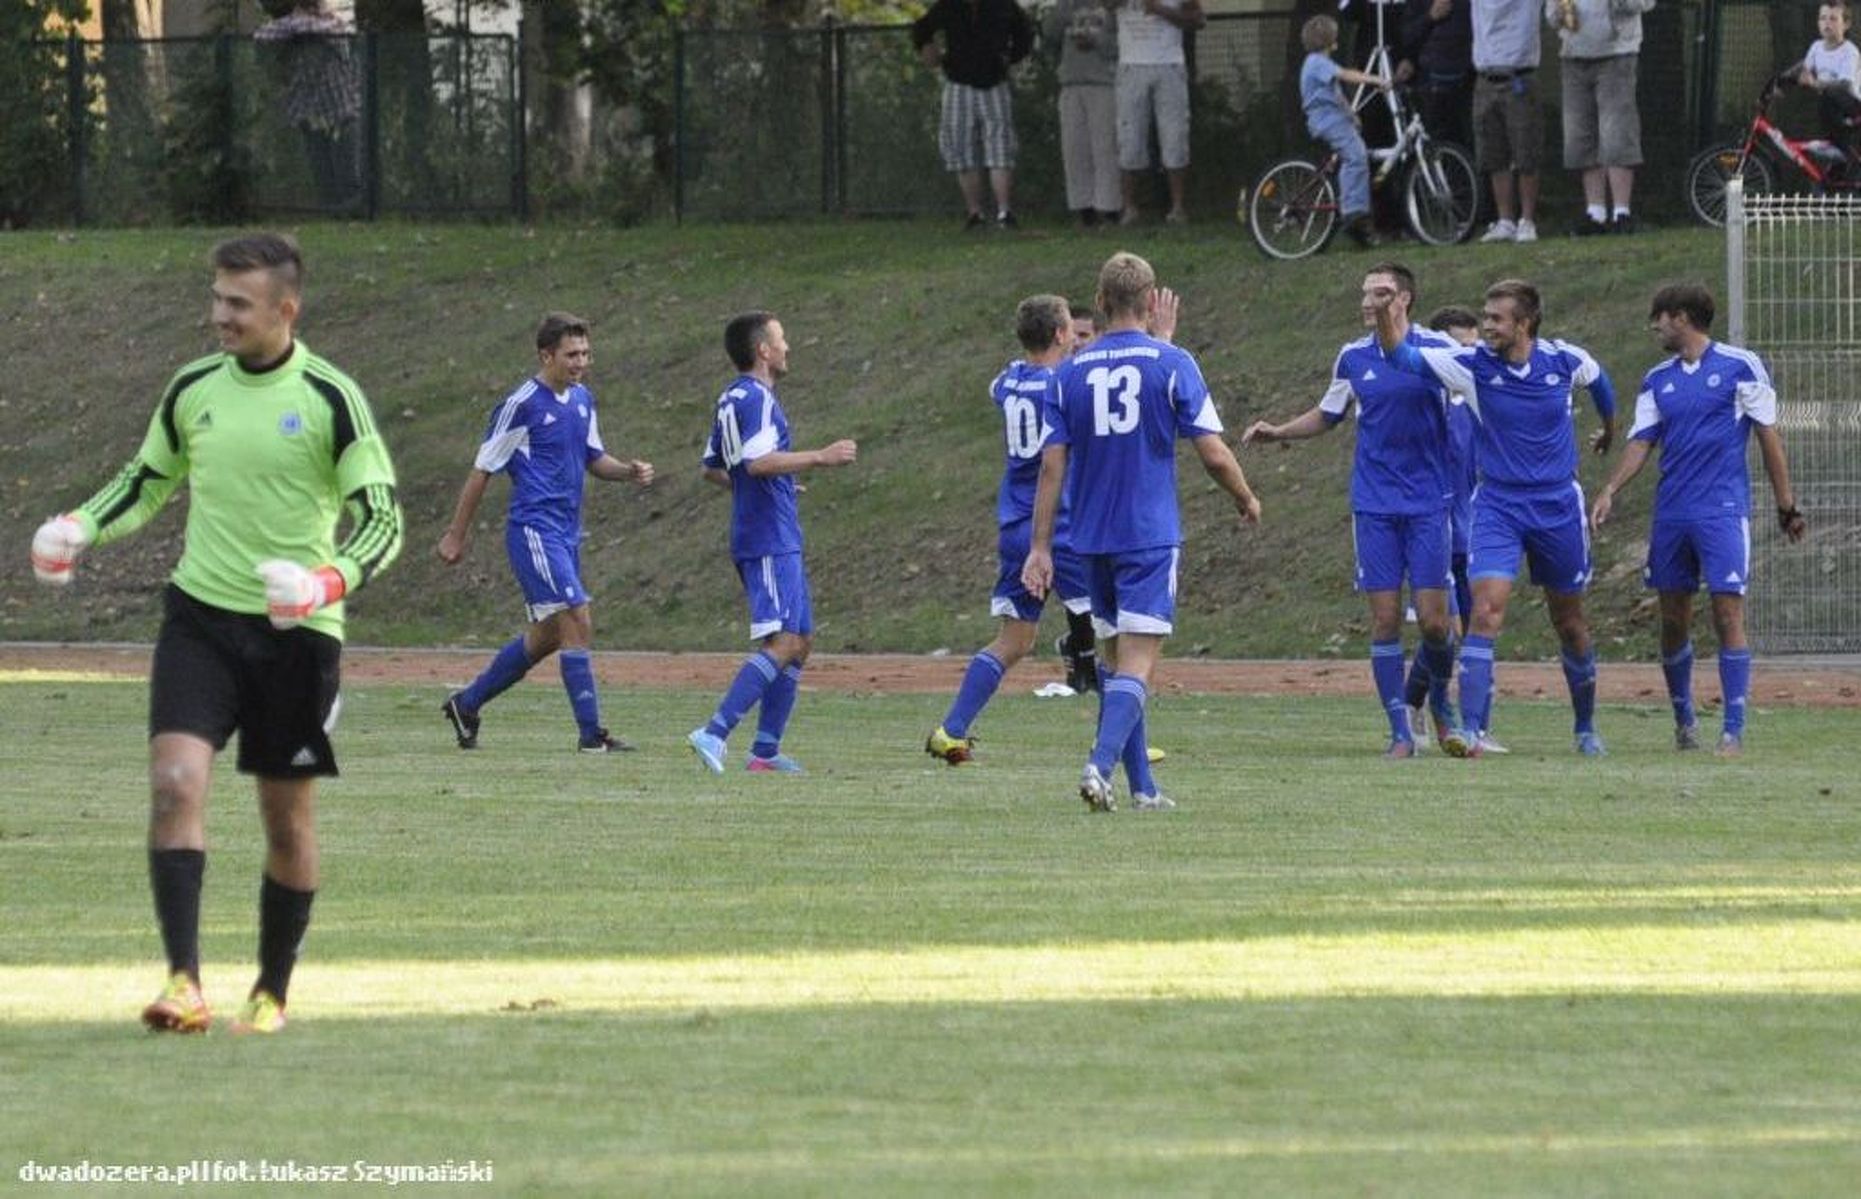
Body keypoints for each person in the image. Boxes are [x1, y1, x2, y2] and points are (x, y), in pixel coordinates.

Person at [28, 233, 404, 1035]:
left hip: (296, 635)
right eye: (216, 299)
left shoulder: (334, 397)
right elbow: (149, 479)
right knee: (174, 785)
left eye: (237, 304)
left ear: (285, 310)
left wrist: (322, 582)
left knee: (286, 822)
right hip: (199, 621)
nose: (219, 316)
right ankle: (184, 982)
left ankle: (270, 989)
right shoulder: (193, 387)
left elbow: (383, 518)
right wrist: (80, 526)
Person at [1023, 252, 1262, 811]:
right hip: (1149, 535)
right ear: (1152, 302)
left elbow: (1051, 467)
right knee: (1138, 662)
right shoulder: (1173, 362)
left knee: (1113, 663)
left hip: (1089, 538)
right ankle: (1098, 768)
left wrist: (1040, 546)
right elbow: (1213, 453)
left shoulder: (1067, 374)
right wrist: (1245, 496)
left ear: (1100, 303)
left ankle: (1145, 789)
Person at [1372, 278, 1617, 756]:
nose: (1486, 326)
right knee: (1484, 612)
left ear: (1524, 324)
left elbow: (1600, 382)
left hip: (1558, 507)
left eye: (1496, 319)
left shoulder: (1563, 360)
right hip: (1499, 506)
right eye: (1484, 316)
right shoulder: (1471, 366)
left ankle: (1586, 727)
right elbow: (1402, 357)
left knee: (1569, 621)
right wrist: (1386, 314)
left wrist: (1610, 430)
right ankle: (1472, 730)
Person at [1243, 264, 1461, 759]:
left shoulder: (1440, 351)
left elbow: (1476, 394)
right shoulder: (1352, 356)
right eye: (1364, 292)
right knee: (1385, 620)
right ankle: (1400, 731)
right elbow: (1328, 413)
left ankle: (1441, 704)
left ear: (1405, 298)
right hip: (1375, 505)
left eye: (1380, 293)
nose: (1368, 301)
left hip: (1429, 502)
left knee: (1434, 623)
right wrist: (1279, 431)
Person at [1590, 284, 1807, 755]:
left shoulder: (1739, 366)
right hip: (1672, 514)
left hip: (1722, 511)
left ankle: (1733, 728)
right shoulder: (1656, 379)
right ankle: (1684, 718)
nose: (1655, 327)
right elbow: (1641, 441)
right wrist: (1609, 489)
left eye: (1660, 318)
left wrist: (1785, 504)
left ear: (1682, 318)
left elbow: (1769, 437)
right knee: (1673, 619)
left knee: (1728, 612)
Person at [435, 314, 655, 755]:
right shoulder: (522, 404)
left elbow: (594, 458)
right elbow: (482, 470)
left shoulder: (582, 400)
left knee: (548, 637)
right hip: (535, 530)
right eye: (572, 354)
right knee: (578, 616)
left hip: (568, 533)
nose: (580, 362)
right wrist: (455, 535)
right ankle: (592, 735)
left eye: (585, 354)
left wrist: (627, 471)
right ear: (546, 355)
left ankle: (467, 703)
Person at [926, 295, 1097, 764]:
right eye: (1071, 332)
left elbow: (999, 385)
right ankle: (1122, 746)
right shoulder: (1062, 386)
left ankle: (952, 729)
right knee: (1116, 631)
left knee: (1016, 639)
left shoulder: (1007, 381)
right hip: (1058, 525)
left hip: (1015, 524)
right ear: (1061, 335)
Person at [687, 313, 858, 774]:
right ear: (763, 349)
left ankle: (765, 752)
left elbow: (714, 467)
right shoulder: (756, 398)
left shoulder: (732, 397)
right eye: (782, 339)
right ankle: (715, 731)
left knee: (799, 640)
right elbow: (758, 462)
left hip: (771, 529)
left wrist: (776, 485)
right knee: (782, 641)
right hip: (766, 536)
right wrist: (819, 458)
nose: (788, 347)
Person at [1401, 304, 1512, 754]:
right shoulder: (1424, 406)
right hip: (1432, 521)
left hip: (1477, 523)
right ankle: (1438, 713)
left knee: (1476, 626)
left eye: (1473, 347)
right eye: (1458, 348)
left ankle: (1457, 721)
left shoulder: (1480, 401)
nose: (1468, 356)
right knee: (1442, 628)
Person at [911, 0, 1035, 230]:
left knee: (1001, 147)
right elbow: (921, 28)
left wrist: (1010, 58)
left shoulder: (1003, 5)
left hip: (994, 83)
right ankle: (974, 213)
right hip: (959, 83)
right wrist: (929, 50)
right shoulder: (950, 5)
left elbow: (1025, 33)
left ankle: (1004, 212)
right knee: (961, 149)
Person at [1547, 0, 1656, 236]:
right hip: (1574, 54)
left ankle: (1621, 212)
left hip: (1616, 53)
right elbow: (1551, 15)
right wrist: (1558, 13)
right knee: (1581, 133)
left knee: (1616, 130)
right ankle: (1595, 212)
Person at [254, 1, 362, 214]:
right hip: (311, 111)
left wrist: (296, 26)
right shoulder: (290, 28)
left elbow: (325, 30)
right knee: (322, 169)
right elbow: (263, 35)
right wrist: (295, 25)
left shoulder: (333, 23)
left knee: (347, 169)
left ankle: (354, 212)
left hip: (341, 108)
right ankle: (332, 213)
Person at [1299, 15, 1392, 248]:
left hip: (1335, 119)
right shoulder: (1317, 62)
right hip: (1327, 121)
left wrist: (1351, 114)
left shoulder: (1318, 64)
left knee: (1353, 154)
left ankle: (1356, 212)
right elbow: (1345, 75)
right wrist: (1375, 79)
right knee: (1356, 156)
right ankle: (1353, 211)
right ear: (1330, 40)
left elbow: (1336, 94)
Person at [1115, 0, 1206, 224]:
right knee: (1130, 136)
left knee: (1175, 134)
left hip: (1169, 64)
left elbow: (1198, 19)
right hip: (1132, 64)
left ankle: (1177, 207)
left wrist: (1161, 10)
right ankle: (1129, 207)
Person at [1470, 0, 1542, 243]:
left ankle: (1527, 220)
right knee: (1494, 154)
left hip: (1518, 77)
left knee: (1525, 150)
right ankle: (1505, 220)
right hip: (1486, 77)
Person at [1046, 0, 1122, 227]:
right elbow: (1050, 32)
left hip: (1103, 82)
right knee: (1075, 149)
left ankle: (1109, 208)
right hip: (1071, 81)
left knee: (1105, 148)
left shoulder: (1112, 6)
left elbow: (1119, 45)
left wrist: (1095, 41)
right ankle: (1083, 207)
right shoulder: (1068, 4)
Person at [1398, 0, 1475, 153]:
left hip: (1468, 81)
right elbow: (1406, 35)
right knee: (1434, 146)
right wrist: (1430, 17)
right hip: (1430, 83)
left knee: (1469, 144)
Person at [1799, 2, 1861, 165]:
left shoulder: (1850, 51)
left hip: (1853, 107)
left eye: (1833, 19)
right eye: (1823, 18)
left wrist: (1815, 83)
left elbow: (1845, 85)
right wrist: (1778, 83)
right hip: (1831, 109)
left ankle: (1844, 151)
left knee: (1829, 94)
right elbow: (1802, 70)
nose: (1827, 23)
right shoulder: (1816, 47)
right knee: (1825, 100)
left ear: (1846, 24)